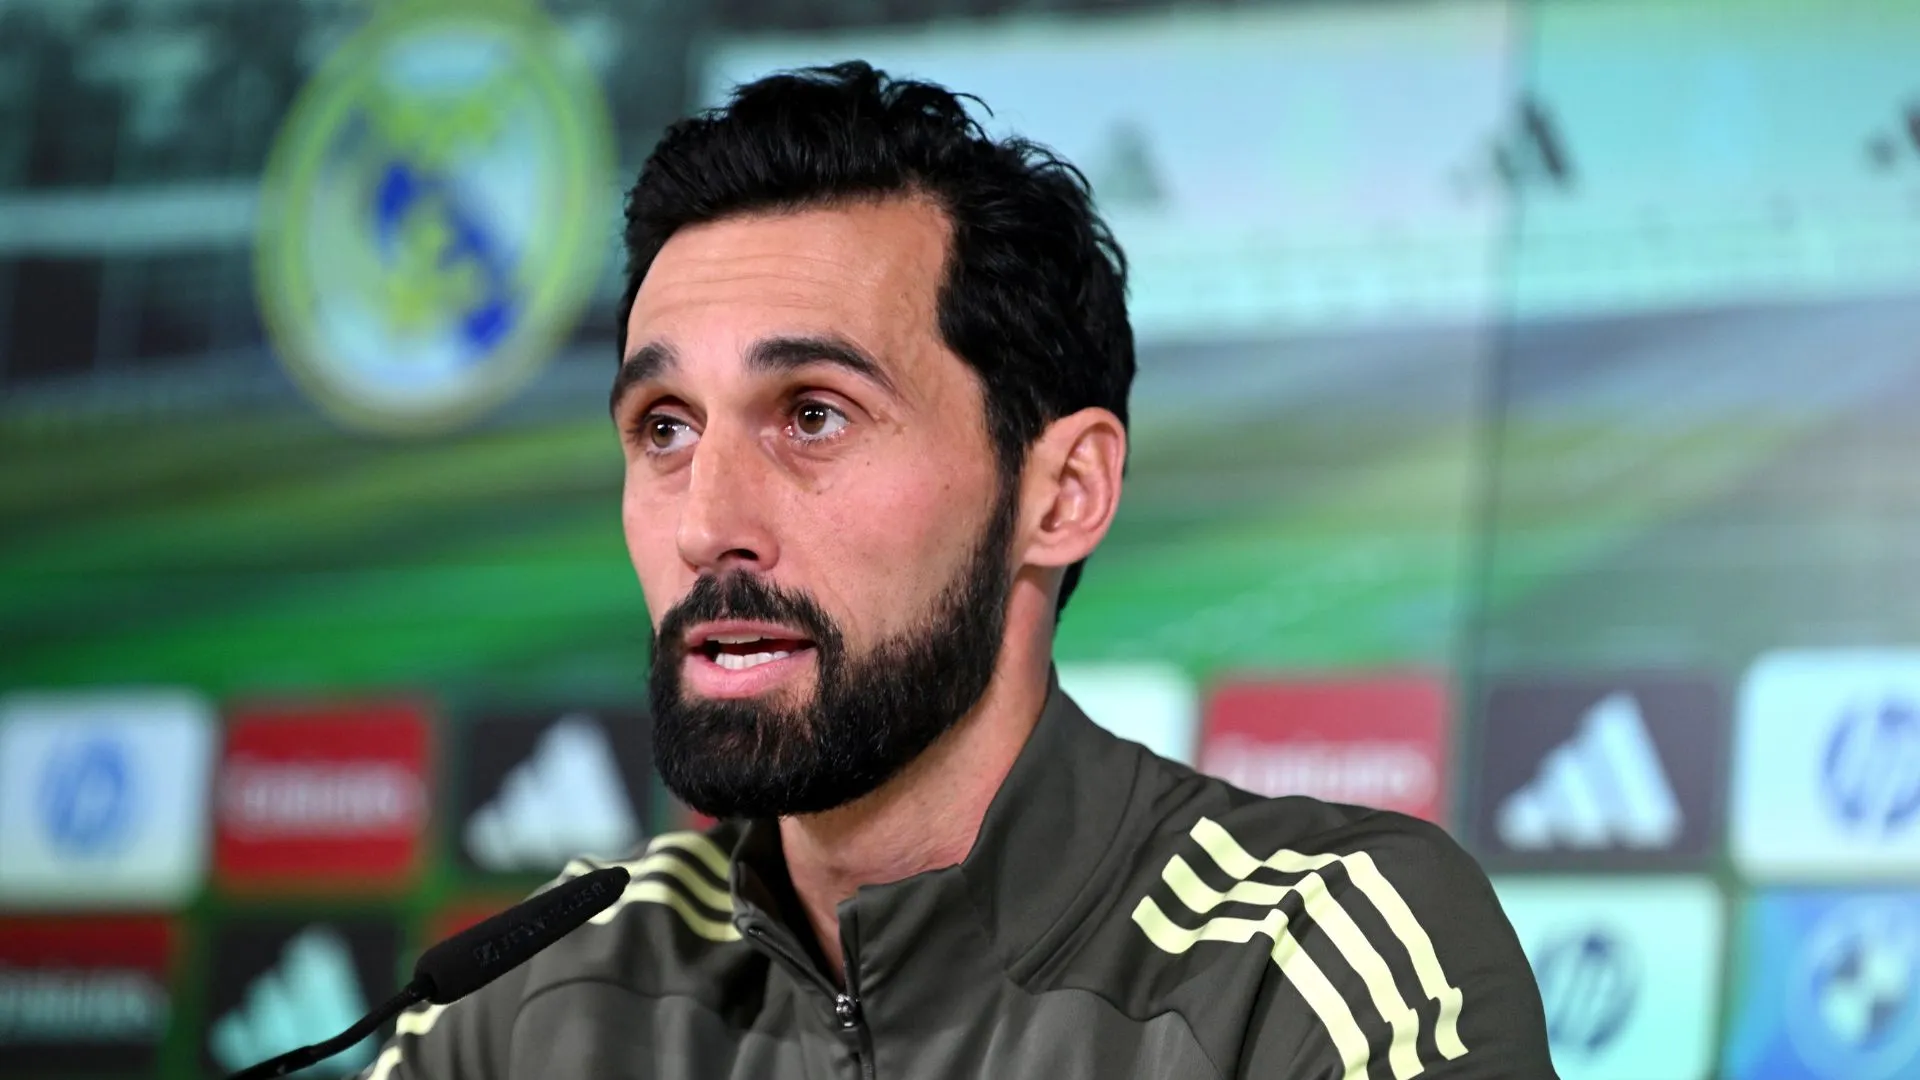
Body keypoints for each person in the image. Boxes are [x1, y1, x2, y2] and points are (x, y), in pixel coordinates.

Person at [365, 61, 1554, 1080]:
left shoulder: (1309, 959)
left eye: (814, 415)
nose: (704, 524)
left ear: (1063, 492)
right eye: (666, 427)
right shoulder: (530, 1003)